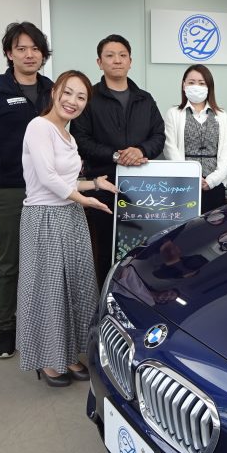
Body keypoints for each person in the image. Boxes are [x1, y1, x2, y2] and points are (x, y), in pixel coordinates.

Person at [17, 70, 117, 387]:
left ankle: (69, 353)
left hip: (70, 215)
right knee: (49, 290)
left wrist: (95, 184)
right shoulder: (39, 127)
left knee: (75, 286)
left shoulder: (69, 137)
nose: (73, 101)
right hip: (44, 217)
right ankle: (48, 360)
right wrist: (85, 200)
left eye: (81, 97)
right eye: (68, 92)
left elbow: (67, 182)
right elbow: (47, 178)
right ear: (54, 92)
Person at [0, 21, 53, 359]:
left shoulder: (52, 90)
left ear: (42, 54)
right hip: (11, 189)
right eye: (21, 48)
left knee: (46, 261)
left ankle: (44, 322)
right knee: (9, 263)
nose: (29, 54)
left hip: (50, 190)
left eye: (35, 48)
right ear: (9, 53)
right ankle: (6, 328)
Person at [70, 34, 165, 287]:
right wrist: (115, 155)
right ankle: (107, 299)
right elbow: (80, 139)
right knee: (106, 249)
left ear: (130, 61)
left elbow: (159, 135)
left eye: (123, 55)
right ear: (99, 62)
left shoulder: (145, 98)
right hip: (104, 186)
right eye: (110, 56)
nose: (117, 60)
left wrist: (141, 150)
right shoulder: (89, 98)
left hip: (144, 189)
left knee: (144, 248)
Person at [163, 64, 227, 213]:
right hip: (183, 184)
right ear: (184, 85)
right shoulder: (173, 113)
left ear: (209, 87)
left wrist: (212, 180)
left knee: (214, 225)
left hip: (214, 185)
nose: (196, 86)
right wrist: (191, 176)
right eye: (191, 82)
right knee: (185, 225)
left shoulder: (222, 115)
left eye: (202, 83)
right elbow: (170, 149)